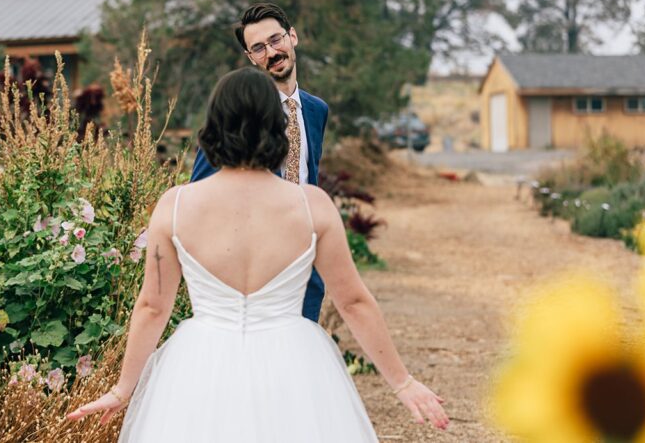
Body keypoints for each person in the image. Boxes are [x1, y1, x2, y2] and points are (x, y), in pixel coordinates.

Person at [67, 68, 448, 440]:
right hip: (294, 364)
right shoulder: (312, 205)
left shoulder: (175, 206)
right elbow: (352, 302)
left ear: (214, 126)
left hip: (200, 368)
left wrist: (123, 389)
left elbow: (152, 306)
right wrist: (402, 382)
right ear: (277, 126)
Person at [192, 2, 330, 321]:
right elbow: (198, 193)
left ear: (292, 37)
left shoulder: (316, 110)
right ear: (251, 58)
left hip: (307, 267)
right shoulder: (235, 115)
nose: (271, 52)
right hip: (253, 272)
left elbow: (311, 177)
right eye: (258, 48)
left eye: (275, 40)